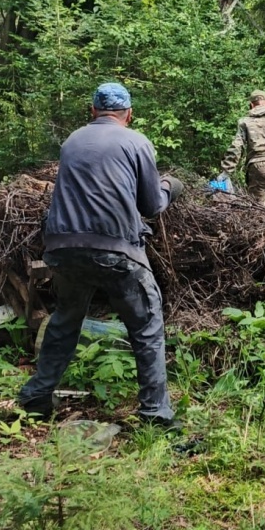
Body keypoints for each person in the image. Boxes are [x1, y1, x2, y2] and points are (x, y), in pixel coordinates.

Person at [19, 82, 184, 428]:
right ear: (129, 114)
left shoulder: (72, 141)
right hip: (117, 251)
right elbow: (151, 206)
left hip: (64, 249)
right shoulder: (136, 142)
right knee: (147, 326)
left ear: (93, 111)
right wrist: (170, 187)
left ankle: (36, 398)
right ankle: (155, 414)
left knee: (65, 321)